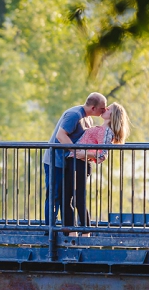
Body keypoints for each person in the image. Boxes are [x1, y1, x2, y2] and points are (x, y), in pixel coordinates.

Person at [43, 92, 107, 230]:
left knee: (66, 197)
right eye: (102, 108)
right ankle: (49, 231)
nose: (104, 110)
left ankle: (67, 229)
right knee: (54, 196)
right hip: (55, 161)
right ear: (93, 108)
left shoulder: (87, 118)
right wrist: (76, 151)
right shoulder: (74, 115)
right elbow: (61, 136)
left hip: (67, 163)